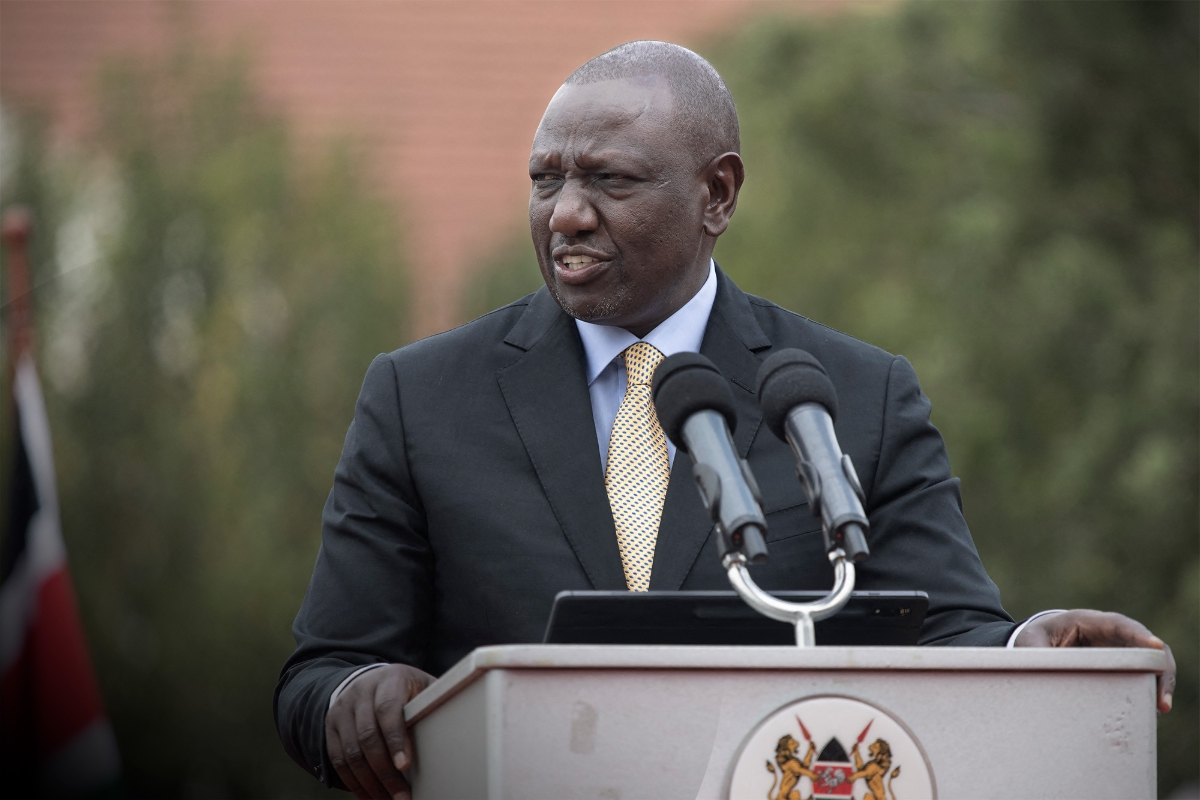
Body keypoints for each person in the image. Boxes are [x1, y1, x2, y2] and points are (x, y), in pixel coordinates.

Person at [274, 41, 1175, 800]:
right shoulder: (420, 397)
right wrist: (357, 696)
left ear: (718, 194)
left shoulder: (853, 395)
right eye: (546, 180)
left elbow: (946, 631)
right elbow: (318, 677)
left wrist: (1028, 647)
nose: (567, 214)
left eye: (609, 179)